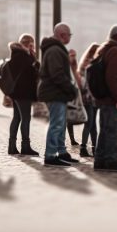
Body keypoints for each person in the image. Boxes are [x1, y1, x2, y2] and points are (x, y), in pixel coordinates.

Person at [38, 23, 81, 167]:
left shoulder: (55, 49)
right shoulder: (55, 50)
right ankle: (50, 155)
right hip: (54, 93)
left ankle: (62, 153)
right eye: (69, 34)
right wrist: (72, 89)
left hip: (56, 92)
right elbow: (57, 75)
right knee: (57, 124)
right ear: (63, 35)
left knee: (60, 124)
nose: (70, 37)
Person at [93, 24, 117, 173]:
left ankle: (100, 160)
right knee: (113, 132)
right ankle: (110, 161)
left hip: (104, 99)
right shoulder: (115, 51)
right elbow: (111, 77)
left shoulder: (104, 49)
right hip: (111, 99)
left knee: (104, 130)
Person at [6, 34, 40, 156]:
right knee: (25, 118)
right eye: (32, 44)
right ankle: (25, 147)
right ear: (29, 44)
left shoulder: (15, 55)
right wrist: (32, 55)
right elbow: (34, 71)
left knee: (17, 118)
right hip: (24, 93)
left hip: (16, 93)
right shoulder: (24, 56)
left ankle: (12, 146)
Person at [77, 43, 101, 158]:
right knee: (90, 123)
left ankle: (93, 148)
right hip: (89, 98)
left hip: (88, 97)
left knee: (91, 124)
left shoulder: (84, 62)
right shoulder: (91, 63)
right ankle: (84, 148)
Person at [66, 48, 88, 147]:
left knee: (73, 115)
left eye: (74, 55)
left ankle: (72, 139)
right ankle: (71, 139)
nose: (73, 57)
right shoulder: (66, 66)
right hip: (68, 94)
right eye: (71, 55)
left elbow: (78, 79)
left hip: (75, 93)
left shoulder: (75, 66)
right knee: (68, 117)